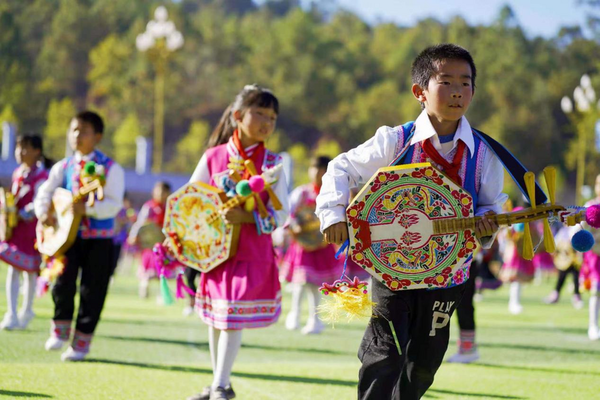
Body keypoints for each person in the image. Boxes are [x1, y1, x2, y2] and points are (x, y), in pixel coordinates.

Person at [316, 44, 508, 399]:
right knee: (383, 356)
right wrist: (333, 214)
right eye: (446, 81)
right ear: (420, 92)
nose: (457, 91)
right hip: (394, 271)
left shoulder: (485, 153)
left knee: (423, 366)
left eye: (465, 83)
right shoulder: (395, 140)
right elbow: (340, 167)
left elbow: (490, 206)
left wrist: (485, 225)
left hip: (449, 274)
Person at [186, 85, 289, 400]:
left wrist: (247, 219)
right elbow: (191, 198)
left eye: (272, 117)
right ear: (237, 116)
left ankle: (220, 384)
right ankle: (220, 383)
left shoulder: (273, 162)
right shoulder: (213, 157)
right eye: (260, 113)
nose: (266, 122)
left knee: (230, 314)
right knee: (216, 317)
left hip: (251, 251)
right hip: (216, 252)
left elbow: (281, 213)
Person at [34, 111, 125, 361]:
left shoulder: (111, 168)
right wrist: (44, 213)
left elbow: (115, 203)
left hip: (99, 239)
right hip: (67, 238)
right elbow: (45, 193)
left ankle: (81, 343)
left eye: (83, 131)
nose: (76, 135)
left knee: (93, 289)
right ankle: (60, 330)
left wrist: (89, 209)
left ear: (97, 136)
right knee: (62, 281)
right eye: (73, 130)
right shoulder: (62, 167)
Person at [280, 155, 339, 335]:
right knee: (300, 282)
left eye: (321, 171)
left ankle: (315, 320)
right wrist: (293, 227)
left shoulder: (332, 194)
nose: (317, 175)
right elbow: (289, 214)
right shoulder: (302, 192)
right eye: (314, 170)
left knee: (315, 286)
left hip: (322, 245)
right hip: (302, 245)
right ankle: (294, 316)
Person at [0, 134, 50, 330]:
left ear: (37, 151)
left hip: (32, 230)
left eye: (25, 148)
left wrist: (22, 213)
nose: (20, 153)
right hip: (16, 229)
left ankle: (26, 310)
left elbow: (39, 202)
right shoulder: (18, 173)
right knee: (13, 270)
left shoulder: (41, 176)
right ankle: (12, 313)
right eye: (18, 148)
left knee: (29, 273)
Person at [128, 181, 173, 300]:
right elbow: (140, 224)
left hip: (163, 244)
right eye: (159, 191)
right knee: (147, 269)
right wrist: (134, 235)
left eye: (164, 192)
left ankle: (163, 295)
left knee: (162, 271)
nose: (161, 194)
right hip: (149, 245)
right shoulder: (149, 207)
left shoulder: (170, 207)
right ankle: (144, 288)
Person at [580, 174, 600, 340]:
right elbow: (581, 226)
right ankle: (593, 325)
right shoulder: (590, 205)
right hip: (595, 254)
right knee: (596, 289)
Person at [543, 226, 583, 309]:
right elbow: (557, 243)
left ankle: (577, 297)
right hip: (564, 259)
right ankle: (556, 295)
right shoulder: (563, 231)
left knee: (575, 278)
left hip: (574, 259)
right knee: (561, 278)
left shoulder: (575, 228)